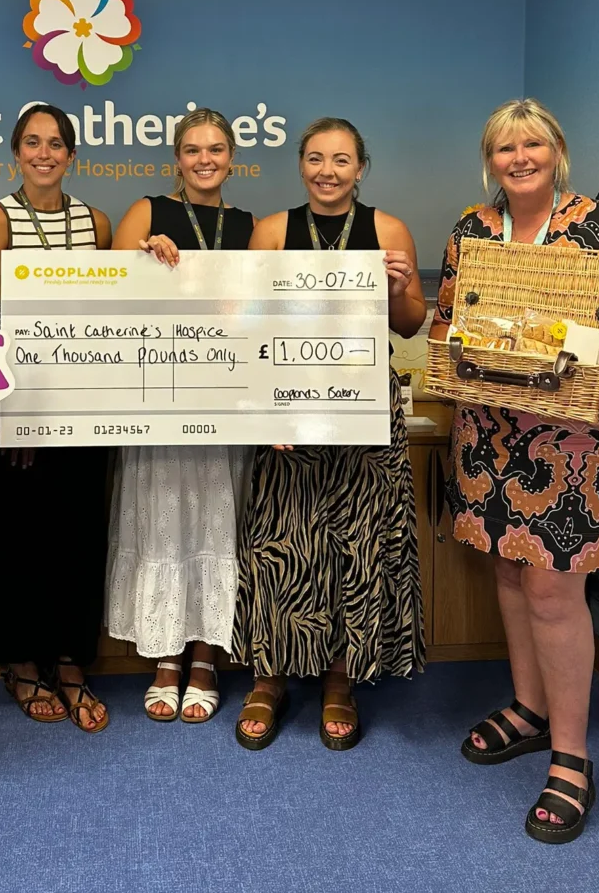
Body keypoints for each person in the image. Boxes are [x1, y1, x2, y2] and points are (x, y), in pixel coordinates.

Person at [433, 98, 599, 843]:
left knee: (553, 591)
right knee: (509, 570)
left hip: (570, 443)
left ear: (556, 151)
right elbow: (446, 321)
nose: (520, 157)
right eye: (505, 148)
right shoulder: (472, 230)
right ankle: (529, 708)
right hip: (487, 436)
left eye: (532, 144)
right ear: (490, 161)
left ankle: (572, 757)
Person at [232, 117, 426, 751]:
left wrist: (398, 288)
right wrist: (262, 408)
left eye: (341, 160)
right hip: (285, 407)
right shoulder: (271, 231)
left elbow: (408, 324)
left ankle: (340, 678)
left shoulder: (388, 230)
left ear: (360, 168)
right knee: (280, 540)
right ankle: (269, 676)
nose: (327, 171)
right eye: (315, 158)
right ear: (301, 165)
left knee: (355, 542)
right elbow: (246, 323)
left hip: (364, 408)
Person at [106, 108, 256, 722]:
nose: (204, 160)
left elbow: (257, 309)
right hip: (159, 397)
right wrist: (141, 258)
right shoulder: (146, 212)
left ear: (231, 158)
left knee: (219, 525)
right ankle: (166, 658)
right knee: (163, 524)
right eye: (193, 150)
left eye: (216, 149)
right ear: (177, 158)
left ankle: (205, 659)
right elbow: (109, 298)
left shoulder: (249, 226)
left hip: (225, 395)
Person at [0, 104, 113, 733]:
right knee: (20, 538)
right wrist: (10, 414)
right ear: (16, 153)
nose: (44, 153)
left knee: (79, 537)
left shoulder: (96, 221)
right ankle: (22, 662)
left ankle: (71, 661)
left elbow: (108, 312)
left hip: (84, 409)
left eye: (56, 143)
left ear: (72, 154)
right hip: (19, 408)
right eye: (32, 143)